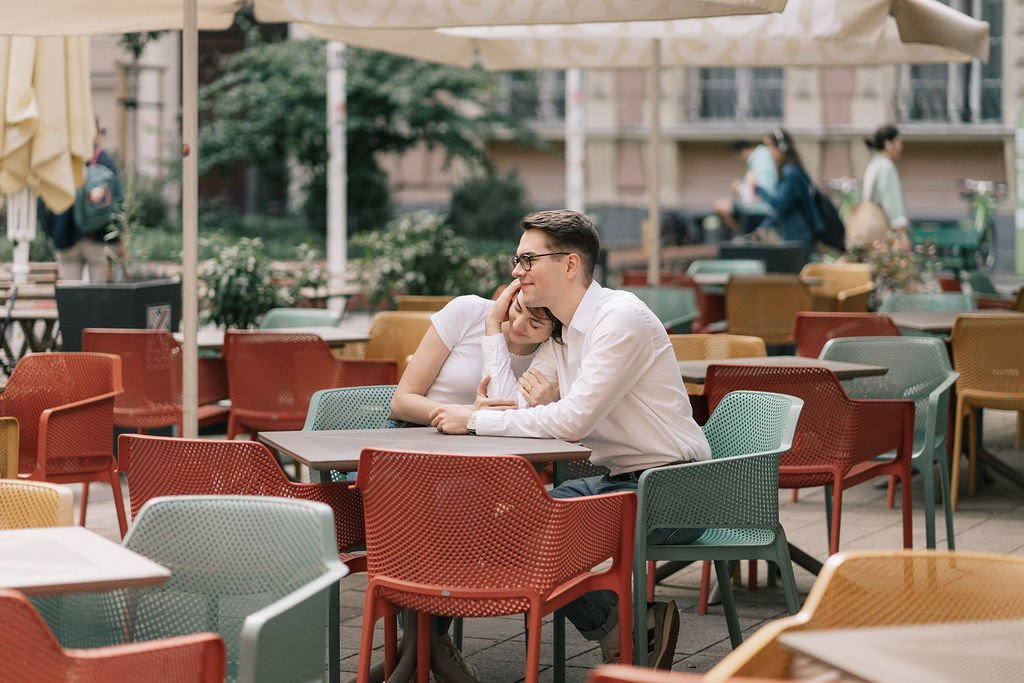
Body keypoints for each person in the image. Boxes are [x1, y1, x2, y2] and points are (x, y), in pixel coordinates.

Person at [430, 209, 711, 670]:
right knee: (498, 524)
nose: (516, 272)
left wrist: (476, 420)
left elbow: (572, 421)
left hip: (674, 490)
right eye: (517, 260)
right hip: (617, 482)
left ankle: (623, 628)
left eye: (527, 260)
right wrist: (492, 332)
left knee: (532, 531)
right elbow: (511, 407)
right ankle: (627, 625)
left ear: (570, 264)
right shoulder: (562, 335)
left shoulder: (619, 320)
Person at [39, 122, 122, 281]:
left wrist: (52, 233)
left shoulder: (57, 159)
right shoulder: (102, 159)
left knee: (71, 292)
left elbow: (42, 201)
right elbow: (119, 201)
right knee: (100, 293)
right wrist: (119, 237)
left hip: (64, 236)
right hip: (100, 237)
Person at [753, 128, 821, 255]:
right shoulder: (790, 171)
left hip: (799, 236)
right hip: (795, 235)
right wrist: (765, 226)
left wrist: (758, 189)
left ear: (781, 148)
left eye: (769, 146)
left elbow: (780, 204)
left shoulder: (791, 174)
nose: (768, 152)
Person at [712, 139, 777, 236]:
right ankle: (741, 234)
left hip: (759, 209)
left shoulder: (760, 161)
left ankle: (739, 233)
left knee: (719, 207)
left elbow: (760, 189)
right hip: (757, 207)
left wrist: (739, 188)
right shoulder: (758, 159)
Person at [862, 124, 908, 233]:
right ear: (888, 144)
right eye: (897, 141)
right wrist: (901, 233)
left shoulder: (873, 165)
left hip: (871, 228)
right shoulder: (886, 167)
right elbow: (891, 202)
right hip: (885, 232)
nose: (900, 146)